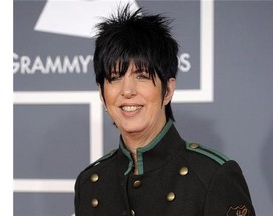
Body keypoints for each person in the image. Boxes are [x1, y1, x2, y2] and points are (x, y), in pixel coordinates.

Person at [74, 4, 255, 216]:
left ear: (168, 90)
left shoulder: (213, 176)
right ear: (101, 93)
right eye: (115, 78)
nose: (127, 91)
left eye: (141, 76)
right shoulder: (90, 183)